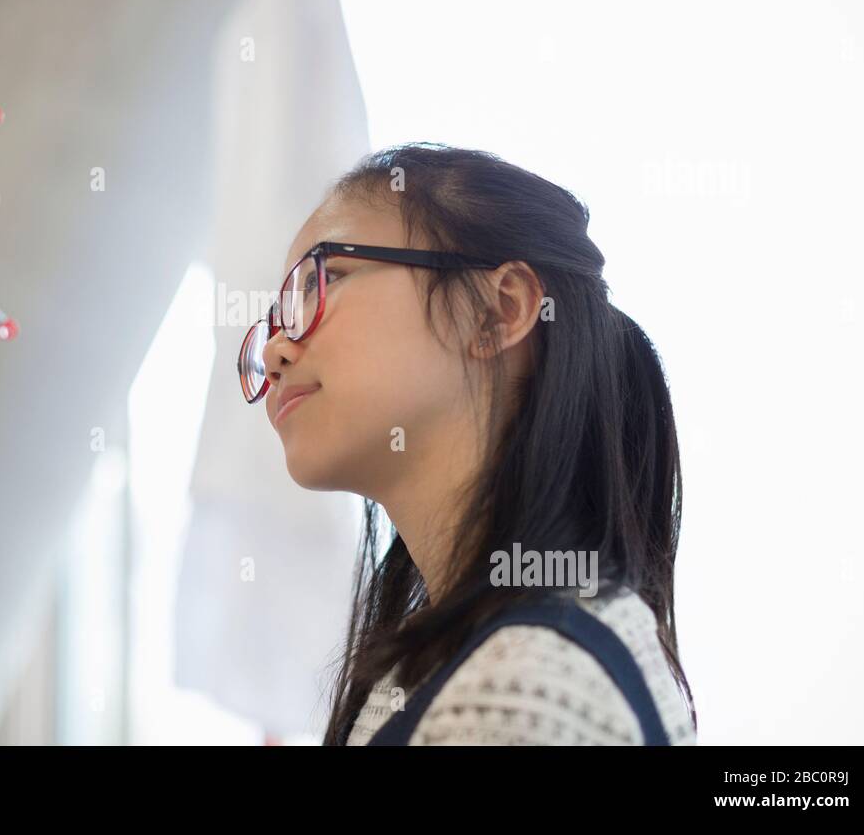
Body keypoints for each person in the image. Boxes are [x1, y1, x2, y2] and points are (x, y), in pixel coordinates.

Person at [236, 144, 697, 745]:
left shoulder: (517, 689)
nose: (275, 351)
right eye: (272, 322)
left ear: (497, 311)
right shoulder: (463, 656)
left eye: (323, 279)